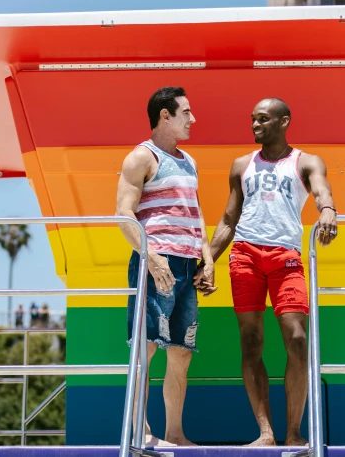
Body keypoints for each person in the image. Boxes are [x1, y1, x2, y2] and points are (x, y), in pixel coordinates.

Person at [201, 97, 337, 447]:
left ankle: (293, 433)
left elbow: (321, 188)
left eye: (263, 119)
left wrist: (328, 210)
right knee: (250, 342)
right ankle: (266, 433)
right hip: (244, 254)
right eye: (252, 119)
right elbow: (229, 219)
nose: (255, 125)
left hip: (285, 256)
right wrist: (209, 259)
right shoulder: (241, 165)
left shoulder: (305, 161)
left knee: (297, 339)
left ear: (284, 121)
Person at [116, 86, 215, 447]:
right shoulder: (140, 157)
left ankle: (175, 433)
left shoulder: (189, 161)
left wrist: (208, 258)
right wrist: (151, 257)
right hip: (156, 263)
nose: (193, 119)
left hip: (188, 266)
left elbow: (197, 213)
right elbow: (123, 214)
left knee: (182, 351)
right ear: (165, 116)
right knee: (146, 346)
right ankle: (140, 432)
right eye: (186, 112)